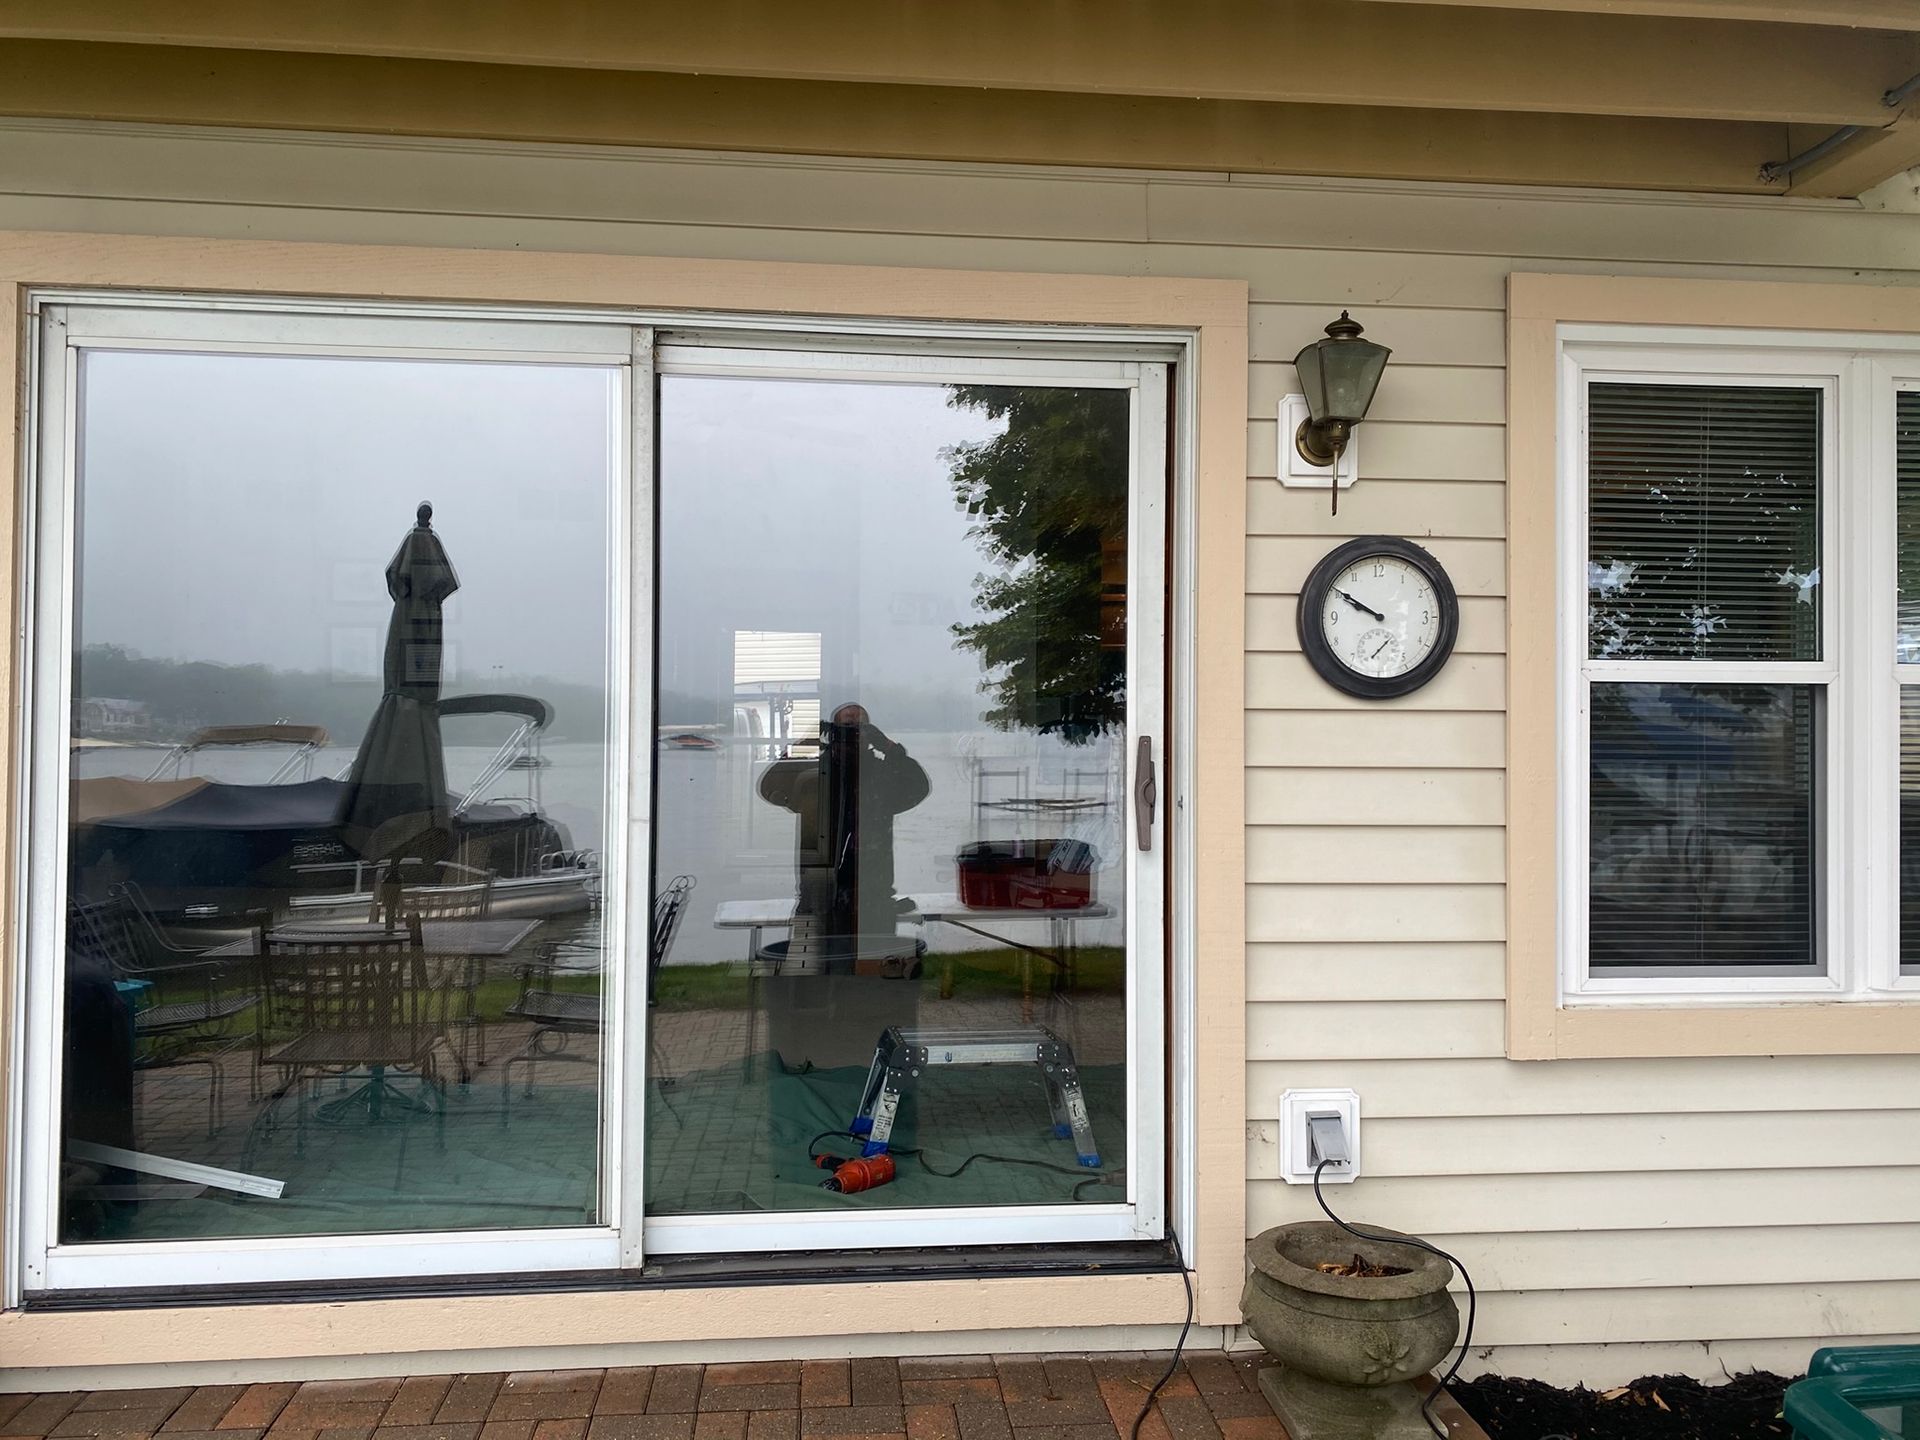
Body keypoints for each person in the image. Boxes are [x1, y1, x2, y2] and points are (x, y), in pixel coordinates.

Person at [757, 704, 929, 942]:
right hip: (818, 897)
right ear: (833, 732)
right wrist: (804, 745)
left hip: (873, 898)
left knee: (872, 961)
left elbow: (919, 786)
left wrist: (890, 748)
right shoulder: (813, 775)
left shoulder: (883, 775)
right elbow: (770, 786)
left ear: (871, 734)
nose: (853, 734)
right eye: (846, 727)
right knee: (813, 958)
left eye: (861, 728)